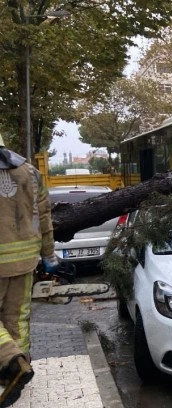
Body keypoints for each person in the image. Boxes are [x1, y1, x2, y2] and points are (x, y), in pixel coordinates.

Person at [0, 134, 58, 405]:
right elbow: (44, 217)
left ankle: (11, 359)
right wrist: (48, 254)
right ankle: (16, 370)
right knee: (17, 317)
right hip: (25, 260)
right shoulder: (31, 172)